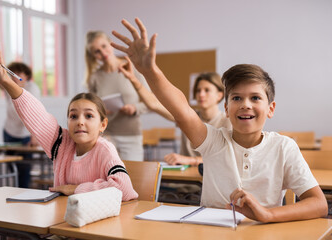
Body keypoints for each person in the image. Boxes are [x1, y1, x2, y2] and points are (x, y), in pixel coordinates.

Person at [111, 18, 327, 222]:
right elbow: (182, 110)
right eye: (236, 98)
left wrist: (268, 215)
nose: (245, 104)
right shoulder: (213, 140)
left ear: (271, 109)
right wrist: (150, 71)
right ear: (226, 108)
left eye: (255, 98)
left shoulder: (284, 148)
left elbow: (319, 204)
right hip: (211, 231)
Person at [0, 40, 138, 201]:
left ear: (102, 125)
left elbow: (124, 189)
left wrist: (75, 189)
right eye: (73, 116)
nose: (80, 122)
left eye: (89, 116)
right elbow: (36, 114)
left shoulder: (105, 150)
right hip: (63, 219)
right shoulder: (62, 143)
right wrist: (6, 81)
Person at [120, 56, 231, 166]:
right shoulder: (187, 116)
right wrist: (133, 79)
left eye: (207, 90)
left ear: (219, 95)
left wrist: (191, 160)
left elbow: (227, 157)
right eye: (198, 90)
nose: (201, 94)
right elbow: (153, 104)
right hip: (183, 179)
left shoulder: (228, 121)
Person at [84, 31, 150, 161]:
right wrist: (101, 112)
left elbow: (151, 101)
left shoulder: (132, 67)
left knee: (132, 178)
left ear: (111, 44)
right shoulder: (94, 78)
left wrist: (135, 108)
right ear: (93, 56)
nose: (103, 53)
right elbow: (90, 109)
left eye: (104, 46)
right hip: (106, 136)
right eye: (97, 51)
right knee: (108, 178)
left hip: (131, 136)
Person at [0, 53, 40, 188]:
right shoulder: (8, 86)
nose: (15, 76)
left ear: (27, 76)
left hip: (25, 136)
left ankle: (25, 196)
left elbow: (33, 113)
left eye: (19, 73)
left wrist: (34, 135)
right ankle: (16, 193)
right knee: (12, 167)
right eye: (13, 73)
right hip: (9, 132)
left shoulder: (32, 89)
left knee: (24, 170)